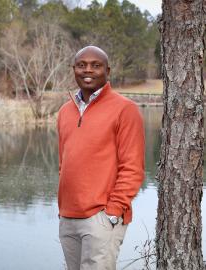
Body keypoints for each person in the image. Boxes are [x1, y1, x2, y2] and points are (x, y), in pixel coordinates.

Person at [57, 46, 145, 270]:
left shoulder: (125, 109)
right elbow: (64, 162)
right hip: (68, 216)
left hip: (101, 217)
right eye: (81, 65)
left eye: (96, 66)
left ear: (108, 71)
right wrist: (63, 208)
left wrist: (113, 212)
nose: (88, 70)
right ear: (74, 69)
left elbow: (132, 168)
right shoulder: (65, 111)